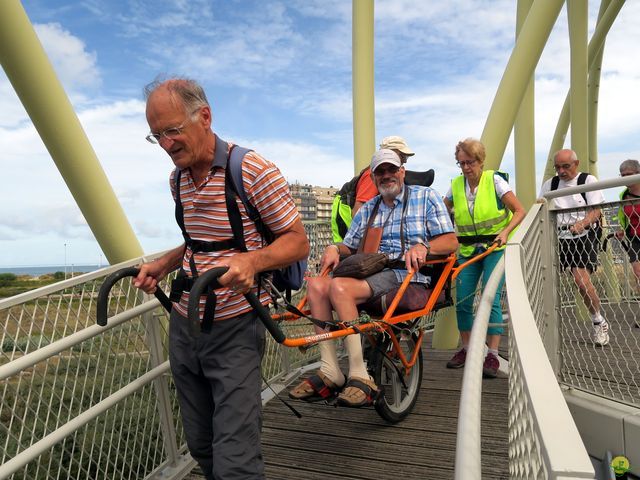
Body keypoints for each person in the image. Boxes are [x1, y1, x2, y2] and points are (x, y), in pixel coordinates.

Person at [133, 77, 309, 480]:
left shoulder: (250, 169)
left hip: (236, 329)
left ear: (205, 117)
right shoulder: (177, 180)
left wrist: (252, 261)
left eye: (172, 130)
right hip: (185, 322)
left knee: (236, 457)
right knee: (201, 443)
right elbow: (199, 243)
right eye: (156, 135)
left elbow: (297, 243)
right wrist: (165, 263)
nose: (166, 144)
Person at [289, 149, 457, 406]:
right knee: (317, 285)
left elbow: (450, 240)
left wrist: (425, 247)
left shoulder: (426, 198)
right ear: (374, 177)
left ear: (402, 171)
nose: (386, 175)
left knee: (340, 288)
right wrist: (335, 248)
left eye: (391, 169)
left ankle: (359, 374)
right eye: (380, 171)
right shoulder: (370, 208)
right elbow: (349, 245)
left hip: (408, 275)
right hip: (374, 272)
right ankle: (330, 369)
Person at [444, 138, 525, 377]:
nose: (466, 168)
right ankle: (468, 348)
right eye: (461, 163)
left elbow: (519, 210)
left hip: (494, 248)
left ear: (480, 161)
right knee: (463, 300)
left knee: (490, 297)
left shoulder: (495, 180)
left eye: (470, 162)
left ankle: (492, 353)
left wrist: (505, 232)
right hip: (468, 249)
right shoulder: (456, 186)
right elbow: (442, 210)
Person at [538, 149, 609, 346]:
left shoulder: (587, 181)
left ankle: (598, 321)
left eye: (565, 166)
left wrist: (582, 223)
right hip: (557, 236)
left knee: (581, 282)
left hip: (583, 235)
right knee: (542, 280)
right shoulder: (550, 184)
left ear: (576, 164)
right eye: (557, 167)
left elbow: (596, 210)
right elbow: (540, 207)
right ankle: (542, 329)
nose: (561, 171)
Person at [616, 159, 640, 293]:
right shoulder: (623, 195)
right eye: (622, 175)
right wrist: (622, 229)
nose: (625, 178)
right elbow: (623, 214)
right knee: (637, 272)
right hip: (634, 237)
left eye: (629, 174)